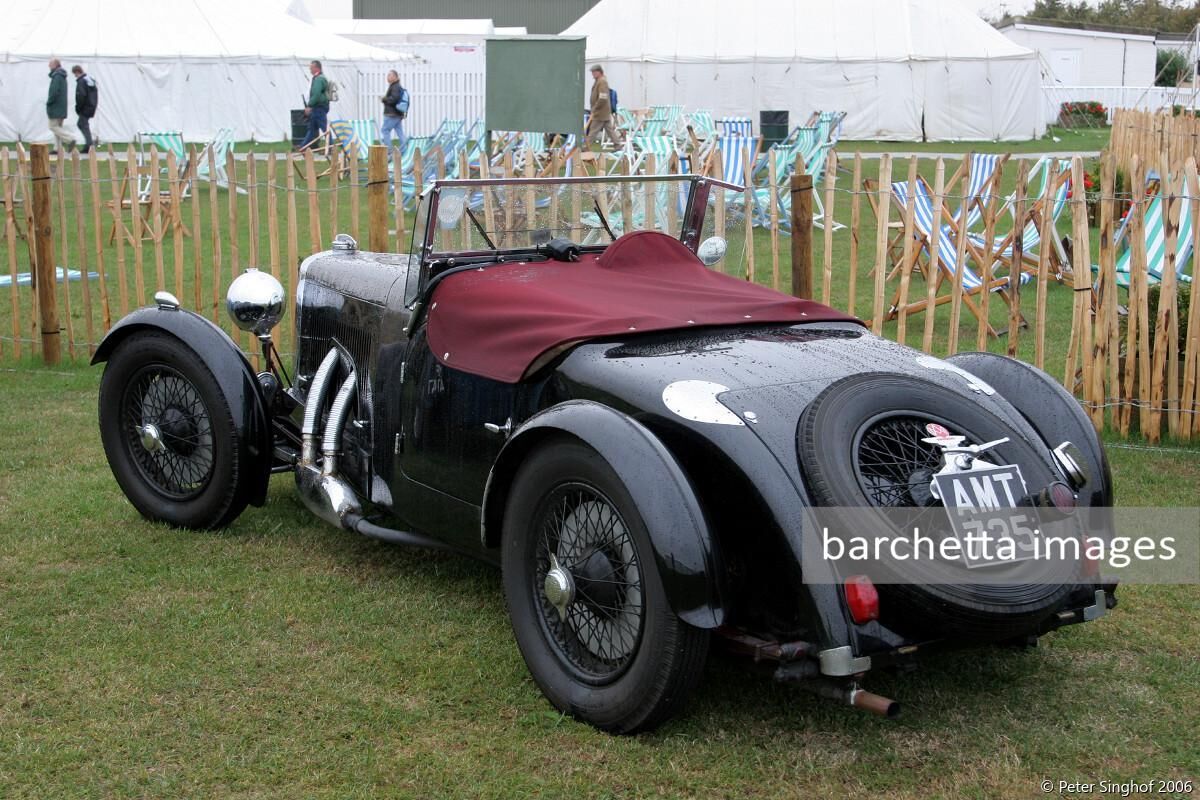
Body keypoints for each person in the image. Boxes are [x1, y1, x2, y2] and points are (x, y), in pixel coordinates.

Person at [584, 64, 620, 147]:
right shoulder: (599, 81)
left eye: (594, 72)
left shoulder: (602, 81)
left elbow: (603, 97)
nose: (592, 74)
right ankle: (617, 144)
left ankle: (587, 146)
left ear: (599, 72)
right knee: (609, 129)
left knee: (593, 130)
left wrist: (595, 108)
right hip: (603, 111)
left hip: (600, 111)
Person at [301, 60, 330, 149]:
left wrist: (309, 105)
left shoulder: (319, 79)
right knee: (312, 129)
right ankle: (303, 147)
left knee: (324, 129)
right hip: (318, 107)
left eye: (311, 67)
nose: (310, 69)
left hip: (319, 107)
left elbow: (316, 94)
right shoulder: (318, 78)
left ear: (316, 68)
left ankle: (331, 147)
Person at [46, 58, 73, 153]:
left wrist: (49, 102)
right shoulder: (62, 76)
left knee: (53, 126)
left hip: (56, 106)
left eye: (50, 64)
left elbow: (54, 92)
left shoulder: (57, 76)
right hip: (61, 107)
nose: (49, 66)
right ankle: (57, 148)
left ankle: (70, 139)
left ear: (55, 65)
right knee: (58, 128)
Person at [381, 70, 409, 153]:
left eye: (390, 75)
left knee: (385, 130)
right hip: (397, 114)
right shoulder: (396, 86)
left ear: (395, 77)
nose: (388, 77)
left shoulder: (395, 87)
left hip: (392, 114)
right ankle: (405, 151)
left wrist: (384, 99)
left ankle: (389, 151)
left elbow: (394, 99)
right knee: (399, 132)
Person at [71, 65, 98, 154]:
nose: (75, 76)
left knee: (82, 124)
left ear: (77, 72)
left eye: (75, 74)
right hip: (91, 105)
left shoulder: (81, 82)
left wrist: (78, 107)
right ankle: (89, 144)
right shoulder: (89, 80)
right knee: (83, 124)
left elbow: (81, 96)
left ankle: (89, 145)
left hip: (85, 107)